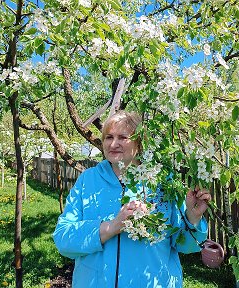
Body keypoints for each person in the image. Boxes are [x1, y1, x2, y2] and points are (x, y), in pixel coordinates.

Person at [53, 110, 211, 288]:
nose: (113, 144)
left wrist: (193, 218)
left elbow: (186, 246)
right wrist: (111, 227)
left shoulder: (163, 181)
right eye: (108, 137)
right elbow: (63, 239)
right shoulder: (88, 180)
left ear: (139, 141)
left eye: (122, 137)